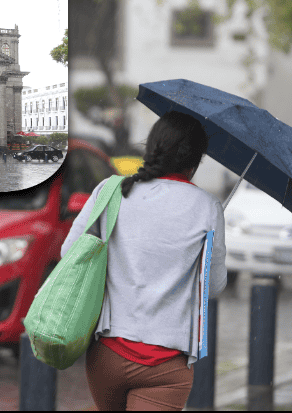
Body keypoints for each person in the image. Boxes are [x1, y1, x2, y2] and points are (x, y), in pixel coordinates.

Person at [60, 111, 227, 411]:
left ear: (152, 148)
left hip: (107, 353)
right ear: (196, 160)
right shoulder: (208, 207)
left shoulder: (110, 190)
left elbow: (69, 253)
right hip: (166, 365)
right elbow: (213, 286)